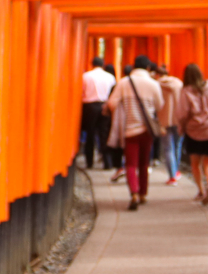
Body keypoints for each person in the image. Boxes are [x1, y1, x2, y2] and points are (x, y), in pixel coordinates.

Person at [105, 54, 164, 210]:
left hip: (130, 129)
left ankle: (134, 193)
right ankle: (143, 194)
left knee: (131, 164)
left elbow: (111, 103)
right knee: (144, 163)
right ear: (148, 68)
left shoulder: (124, 83)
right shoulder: (153, 84)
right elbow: (159, 105)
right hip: (148, 130)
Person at [171, 62, 208, 204]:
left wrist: (180, 128)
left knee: (195, 163)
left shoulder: (186, 91)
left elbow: (182, 113)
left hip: (194, 131)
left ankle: (201, 190)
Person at [79, 56, 115, 169]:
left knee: (90, 134)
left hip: (89, 106)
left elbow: (82, 92)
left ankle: (89, 162)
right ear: (103, 64)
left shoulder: (86, 76)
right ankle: (107, 162)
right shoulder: (110, 77)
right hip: (105, 105)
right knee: (104, 134)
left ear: (92, 64)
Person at [154, 63, 184, 184]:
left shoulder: (156, 85)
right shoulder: (179, 83)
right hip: (179, 119)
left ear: (157, 75)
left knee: (168, 148)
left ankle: (172, 176)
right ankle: (176, 171)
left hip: (163, 121)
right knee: (177, 146)